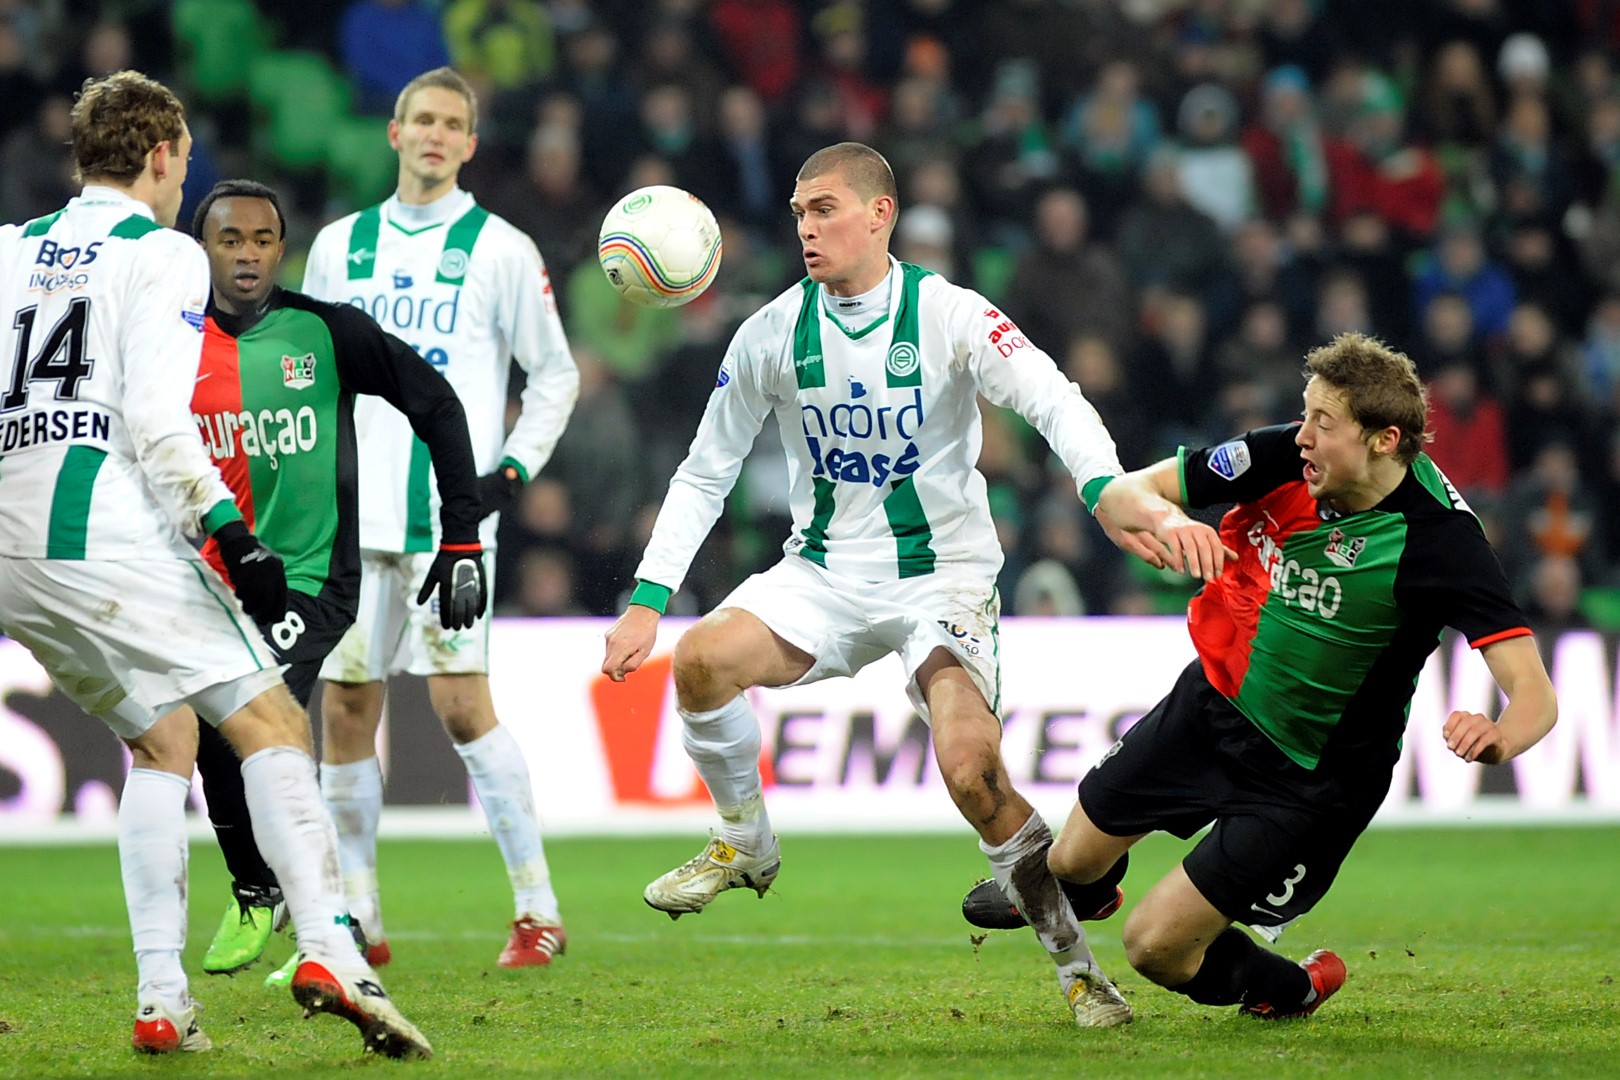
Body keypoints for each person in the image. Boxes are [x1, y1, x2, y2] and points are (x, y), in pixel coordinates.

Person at [600, 141, 1230, 1029]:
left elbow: (1050, 395)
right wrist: (647, 600)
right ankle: (745, 842)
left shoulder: (949, 314)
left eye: (824, 209)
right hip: (822, 570)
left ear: (880, 214)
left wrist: (1104, 486)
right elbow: (707, 470)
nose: (806, 227)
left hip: (941, 578)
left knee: (972, 772)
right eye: (798, 211)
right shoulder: (770, 333)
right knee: (701, 661)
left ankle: (1081, 975)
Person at [0, 71, 431, 1058]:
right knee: (271, 720)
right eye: (185, 159)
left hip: (12, 553)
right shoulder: (162, 254)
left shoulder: (10, 249)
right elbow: (156, 419)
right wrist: (234, 533)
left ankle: (162, 1000)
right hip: (101, 534)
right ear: (162, 157)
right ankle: (331, 951)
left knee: (164, 741)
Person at [963, 333, 1558, 1021]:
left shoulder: (1441, 542)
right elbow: (1135, 490)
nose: (1301, 435)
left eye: (1323, 423)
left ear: (1384, 440)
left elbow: (1536, 695)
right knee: (1070, 863)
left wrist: (1500, 737)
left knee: (1155, 949)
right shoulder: (1279, 457)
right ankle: (1087, 890)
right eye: (1305, 414)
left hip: (1310, 779)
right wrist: (1167, 520)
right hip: (1212, 705)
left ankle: (1292, 987)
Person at [301, 66, 580, 968]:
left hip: (447, 522)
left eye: (451, 123)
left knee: (461, 706)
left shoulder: (502, 249)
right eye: (421, 119)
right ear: (394, 132)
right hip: (350, 519)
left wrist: (511, 470)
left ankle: (537, 909)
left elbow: (555, 375)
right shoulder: (338, 246)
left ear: (469, 143)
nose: (434, 134)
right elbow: (307, 372)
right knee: (346, 709)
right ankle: (359, 917)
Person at [178, 179, 486, 983]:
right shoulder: (170, 341)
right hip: (208, 582)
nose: (248, 255)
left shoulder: (327, 331)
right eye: (230, 240)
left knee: (255, 726)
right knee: (208, 738)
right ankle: (261, 888)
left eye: (262, 240)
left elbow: (438, 406)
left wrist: (461, 535)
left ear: (283, 250)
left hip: (310, 580)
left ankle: (331, 927)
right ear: (201, 249)